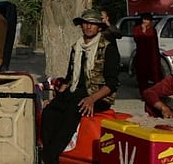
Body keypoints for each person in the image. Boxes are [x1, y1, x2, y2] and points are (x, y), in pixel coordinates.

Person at [41, 9, 120, 164]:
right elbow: (70, 77)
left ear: (99, 27)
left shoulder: (108, 48)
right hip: (76, 91)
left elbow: (112, 84)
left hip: (99, 96)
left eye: (93, 24)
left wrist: (91, 99)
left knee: (72, 111)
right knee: (50, 112)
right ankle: (49, 153)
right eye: (85, 23)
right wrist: (58, 97)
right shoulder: (76, 47)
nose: (88, 27)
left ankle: (50, 157)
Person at [132, 12, 163, 93]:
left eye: (147, 20)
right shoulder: (137, 28)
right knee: (142, 76)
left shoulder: (153, 30)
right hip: (141, 56)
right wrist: (143, 31)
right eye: (144, 19)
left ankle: (157, 92)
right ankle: (143, 93)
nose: (145, 21)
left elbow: (155, 43)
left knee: (156, 75)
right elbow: (137, 39)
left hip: (152, 56)